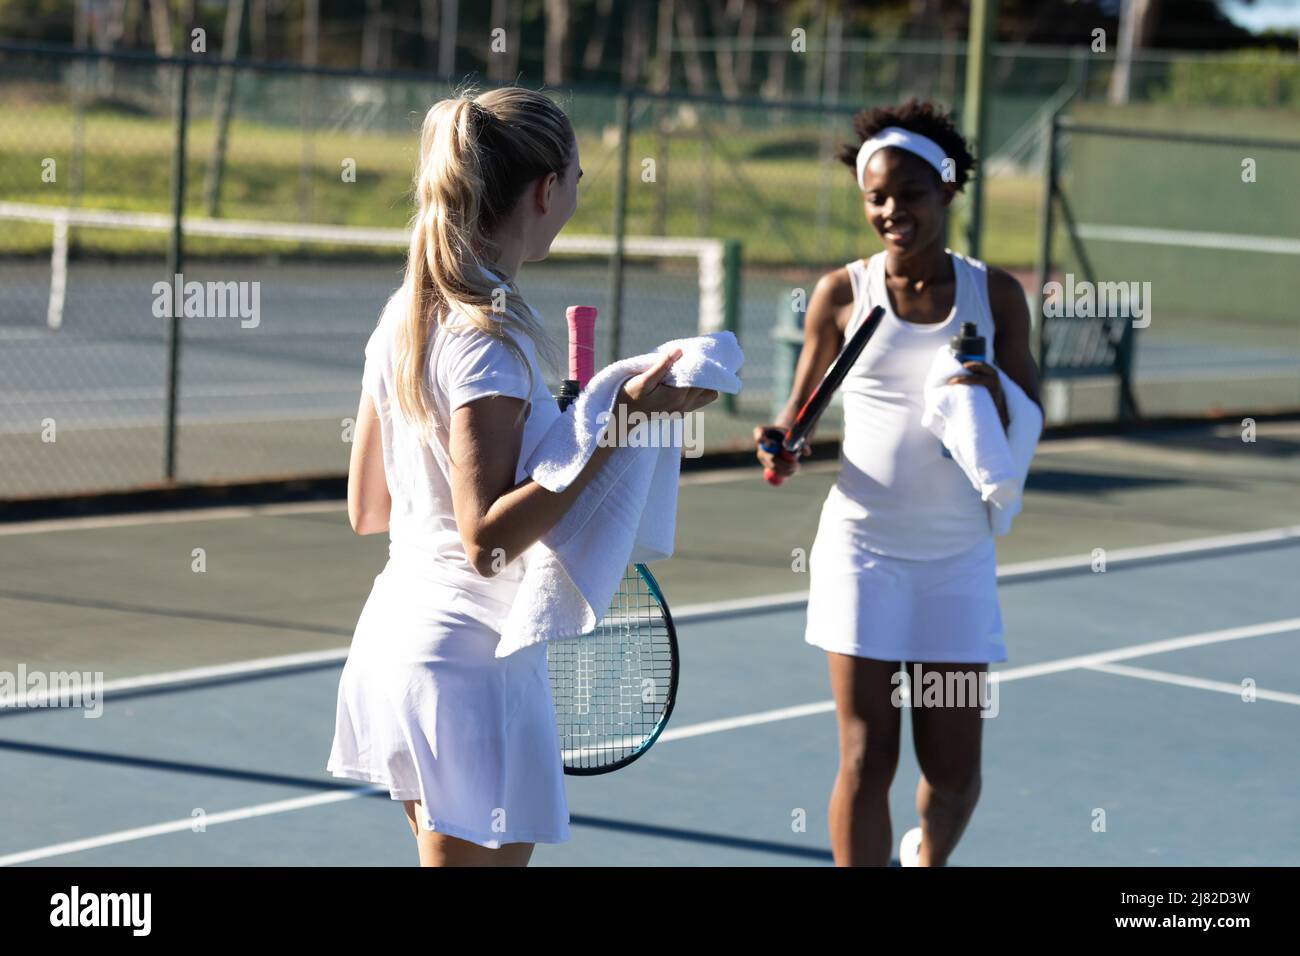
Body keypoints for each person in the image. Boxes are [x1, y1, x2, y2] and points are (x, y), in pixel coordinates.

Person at [328, 87, 717, 867]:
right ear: (547, 190)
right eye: (575, 178)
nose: (575, 194)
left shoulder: (403, 315)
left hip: (394, 646)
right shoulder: (487, 340)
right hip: (467, 668)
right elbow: (486, 543)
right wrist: (615, 427)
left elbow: (368, 508)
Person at [754, 99, 1041, 867]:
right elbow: (800, 417)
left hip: (954, 567)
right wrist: (783, 446)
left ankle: (927, 858)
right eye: (876, 197)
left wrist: (994, 393)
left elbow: (1030, 418)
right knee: (864, 756)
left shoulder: (997, 296)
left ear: (947, 191)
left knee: (953, 776)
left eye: (909, 194)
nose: (890, 211)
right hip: (862, 555)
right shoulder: (841, 295)